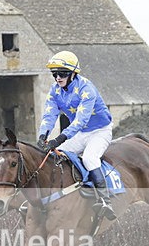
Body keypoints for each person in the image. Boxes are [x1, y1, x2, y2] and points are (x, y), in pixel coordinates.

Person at [37, 51, 116, 220]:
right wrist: (43, 135)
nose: (58, 78)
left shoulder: (87, 89)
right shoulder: (55, 90)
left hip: (99, 131)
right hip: (80, 133)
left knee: (89, 158)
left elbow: (80, 120)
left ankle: (104, 200)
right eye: (54, 74)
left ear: (73, 73)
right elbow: (50, 115)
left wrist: (58, 139)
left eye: (62, 73)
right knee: (52, 155)